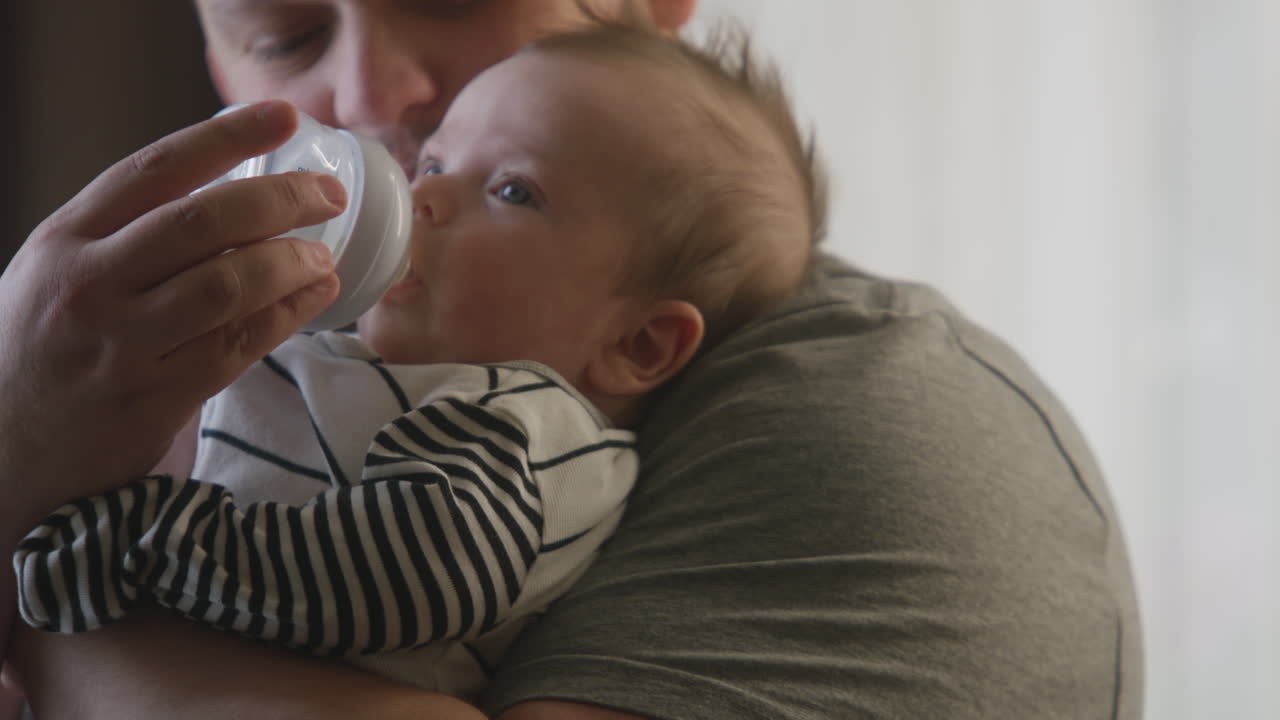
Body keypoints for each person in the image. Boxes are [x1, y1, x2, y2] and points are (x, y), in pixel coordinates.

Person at [0, 1, 1144, 719]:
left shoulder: (875, 427)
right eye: (286, 35)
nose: (365, 97)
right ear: (218, 66)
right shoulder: (164, 351)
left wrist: (33, 516)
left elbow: (413, 562)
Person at [10, 18, 819, 704]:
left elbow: (416, 567)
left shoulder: (523, 423)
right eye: (433, 164)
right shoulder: (336, 353)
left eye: (513, 191)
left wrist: (144, 539)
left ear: (636, 344)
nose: (419, 195)